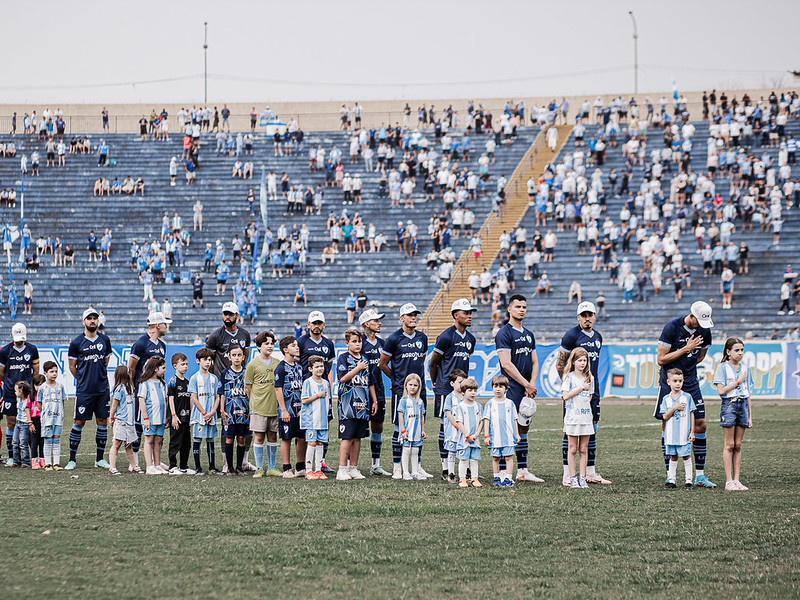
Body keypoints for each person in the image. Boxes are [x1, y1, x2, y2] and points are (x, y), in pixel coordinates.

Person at [655, 301, 715, 487]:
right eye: (699, 322)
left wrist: (688, 364)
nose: (702, 327)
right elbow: (661, 359)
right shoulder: (671, 328)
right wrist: (685, 350)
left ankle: (700, 476)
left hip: (690, 382)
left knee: (700, 424)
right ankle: (670, 475)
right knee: (668, 423)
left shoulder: (704, 330)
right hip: (670, 383)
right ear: (691, 316)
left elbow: (701, 355)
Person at [556, 302, 611, 485]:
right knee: (570, 430)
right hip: (574, 392)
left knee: (591, 428)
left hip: (591, 389)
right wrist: (569, 384)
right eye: (584, 315)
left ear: (595, 316)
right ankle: (567, 473)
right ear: (578, 316)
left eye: (590, 315)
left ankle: (590, 472)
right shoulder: (571, 335)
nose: (587, 318)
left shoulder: (598, 337)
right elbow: (560, 363)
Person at [379, 303, 431, 479]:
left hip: (420, 389)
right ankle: (397, 467)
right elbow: (382, 364)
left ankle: (417, 466)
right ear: (402, 318)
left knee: (417, 427)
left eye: (415, 314)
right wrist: (396, 380)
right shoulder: (394, 339)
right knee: (398, 427)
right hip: (401, 391)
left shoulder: (422, 338)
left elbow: (422, 357)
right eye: (409, 315)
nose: (413, 317)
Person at [494, 294, 543, 482]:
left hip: (526, 388)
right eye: (518, 307)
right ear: (509, 309)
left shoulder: (529, 335)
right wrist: (526, 384)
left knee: (523, 428)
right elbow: (506, 364)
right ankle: (504, 472)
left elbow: (535, 362)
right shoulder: (504, 333)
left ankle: (522, 470)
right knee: (508, 429)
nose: (522, 310)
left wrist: (532, 384)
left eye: (524, 307)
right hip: (511, 388)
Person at [428, 298, 476, 479]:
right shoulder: (446, 336)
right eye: (466, 313)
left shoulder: (471, 339)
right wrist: (436, 383)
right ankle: (445, 467)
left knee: (464, 424)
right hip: (445, 388)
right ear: (456, 315)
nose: (469, 316)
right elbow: (433, 363)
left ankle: (463, 464)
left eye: (471, 313)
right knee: (445, 427)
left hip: (463, 390)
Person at [206, 302, 253, 470]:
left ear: (237, 316)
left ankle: (244, 461)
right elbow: (209, 359)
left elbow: (246, 356)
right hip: (225, 387)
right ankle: (227, 462)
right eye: (225, 313)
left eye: (230, 314)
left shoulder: (245, 334)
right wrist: (220, 377)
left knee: (247, 424)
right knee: (226, 424)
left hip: (242, 387)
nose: (227, 317)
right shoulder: (215, 336)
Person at [66, 308, 112, 470]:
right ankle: (72, 459)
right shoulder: (77, 342)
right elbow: (72, 366)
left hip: (102, 390)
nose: (92, 321)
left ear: (98, 321)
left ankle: (99, 459)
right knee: (79, 421)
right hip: (84, 390)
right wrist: (84, 380)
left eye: (95, 318)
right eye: (89, 318)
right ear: (83, 321)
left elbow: (105, 361)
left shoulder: (105, 340)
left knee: (102, 421)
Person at [127, 311, 171, 469]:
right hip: (143, 391)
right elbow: (131, 368)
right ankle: (136, 461)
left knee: (158, 424)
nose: (167, 327)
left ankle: (154, 460)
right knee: (141, 424)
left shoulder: (162, 345)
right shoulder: (140, 343)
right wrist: (133, 387)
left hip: (157, 391)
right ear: (158, 326)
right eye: (165, 324)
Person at [335, 329, 376, 480]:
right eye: (354, 341)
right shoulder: (343, 358)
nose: (357, 344)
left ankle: (353, 468)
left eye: (359, 341)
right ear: (347, 343)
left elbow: (370, 383)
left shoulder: (365, 359)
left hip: (362, 404)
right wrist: (357, 368)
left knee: (358, 437)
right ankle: (342, 469)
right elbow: (342, 378)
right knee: (347, 436)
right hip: (348, 406)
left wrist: (374, 401)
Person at [297, 310, 335, 473]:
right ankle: (302, 465)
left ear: (324, 325)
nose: (317, 326)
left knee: (324, 425)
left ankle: (321, 463)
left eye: (319, 323)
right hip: (308, 391)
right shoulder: (301, 342)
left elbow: (329, 367)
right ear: (308, 325)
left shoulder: (328, 344)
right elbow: (298, 366)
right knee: (305, 431)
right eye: (314, 323)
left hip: (323, 392)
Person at [713, 338, 753, 491]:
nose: (740, 353)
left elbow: (748, 393)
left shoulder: (745, 368)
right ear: (728, 352)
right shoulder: (722, 368)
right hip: (729, 405)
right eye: (737, 350)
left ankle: (737, 480)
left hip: (742, 405)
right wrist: (738, 381)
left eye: (742, 350)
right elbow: (721, 391)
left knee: (738, 445)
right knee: (729, 444)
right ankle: (728, 481)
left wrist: (750, 416)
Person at [0, 323, 39, 465]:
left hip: (27, 394)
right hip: (11, 393)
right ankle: (12, 456)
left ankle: (28, 456)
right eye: (16, 338)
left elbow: (35, 371)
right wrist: (11, 385)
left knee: (28, 423)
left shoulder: (32, 350)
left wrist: (29, 388)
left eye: (21, 338)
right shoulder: (5, 351)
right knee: (11, 424)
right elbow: (1, 373)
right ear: (12, 336)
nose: (19, 341)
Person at [244, 330, 280, 477]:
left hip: (274, 408)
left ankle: (271, 467)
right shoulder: (252, 365)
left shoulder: (278, 363)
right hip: (258, 408)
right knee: (259, 437)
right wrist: (254, 402)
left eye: (272, 343)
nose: (270, 346)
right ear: (258, 346)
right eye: (266, 344)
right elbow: (248, 387)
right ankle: (259, 468)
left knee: (272, 436)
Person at [359, 309, 390, 476]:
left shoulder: (383, 343)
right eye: (376, 320)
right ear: (366, 324)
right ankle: (350, 466)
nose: (379, 323)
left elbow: (386, 366)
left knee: (378, 426)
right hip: (360, 390)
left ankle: (375, 465)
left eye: (379, 320)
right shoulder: (358, 343)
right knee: (355, 428)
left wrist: (395, 380)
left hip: (378, 389)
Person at [561, 347, 594, 489]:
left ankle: (583, 477)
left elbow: (590, 397)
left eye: (584, 360)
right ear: (573, 361)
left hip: (585, 418)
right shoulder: (568, 377)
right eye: (579, 360)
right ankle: (572, 477)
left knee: (584, 449)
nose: (582, 363)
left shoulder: (589, 378)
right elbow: (566, 396)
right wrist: (581, 388)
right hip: (572, 418)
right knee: (572, 448)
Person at [274, 336, 306, 478]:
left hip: (300, 410)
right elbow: (278, 389)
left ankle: (300, 466)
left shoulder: (299, 367)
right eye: (293, 345)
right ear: (285, 350)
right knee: (286, 438)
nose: (297, 347)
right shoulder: (281, 368)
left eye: (297, 345)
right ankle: (286, 468)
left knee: (302, 437)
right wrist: (283, 410)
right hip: (287, 409)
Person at [659, 368, 696, 489]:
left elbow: (691, 413)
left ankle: (689, 480)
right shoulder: (666, 399)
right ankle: (671, 480)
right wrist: (674, 408)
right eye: (675, 381)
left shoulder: (687, 397)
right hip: (670, 435)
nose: (678, 383)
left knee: (686, 456)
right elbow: (664, 416)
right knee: (673, 456)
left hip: (683, 435)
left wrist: (692, 431)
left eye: (680, 381)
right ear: (668, 382)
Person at [189, 347, 221, 476]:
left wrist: (212, 412)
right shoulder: (194, 378)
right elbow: (194, 398)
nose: (208, 362)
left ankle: (212, 467)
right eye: (204, 360)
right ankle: (198, 468)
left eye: (209, 360)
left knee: (210, 441)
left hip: (211, 415)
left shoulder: (214, 378)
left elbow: (217, 397)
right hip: (199, 416)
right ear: (198, 361)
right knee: (197, 440)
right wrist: (204, 413)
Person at [218, 344, 249, 475]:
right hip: (229, 413)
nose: (237, 358)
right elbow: (222, 393)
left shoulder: (247, 372)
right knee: (229, 439)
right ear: (229, 357)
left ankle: (239, 467)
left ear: (243, 357)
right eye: (234, 355)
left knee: (241, 439)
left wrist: (250, 409)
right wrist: (222, 409)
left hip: (243, 412)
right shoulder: (225, 373)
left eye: (239, 355)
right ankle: (229, 467)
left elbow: (249, 392)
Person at [482, 374, 518, 487]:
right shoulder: (490, 404)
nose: (498, 389)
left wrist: (517, 434)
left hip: (508, 437)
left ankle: (508, 478)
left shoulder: (510, 403)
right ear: (492, 388)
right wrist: (486, 435)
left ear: (506, 389)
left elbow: (515, 419)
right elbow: (486, 420)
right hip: (494, 437)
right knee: (495, 458)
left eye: (501, 386)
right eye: (495, 386)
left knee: (508, 457)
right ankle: (496, 477)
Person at [300, 355, 331, 479]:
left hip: (322, 420)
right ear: (310, 369)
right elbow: (304, 400)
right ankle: (308, 470)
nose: (320, 369)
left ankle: (318, 470)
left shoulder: (326, 383)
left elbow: (328, 402)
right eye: (316, 366)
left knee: (320, 443)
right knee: (312, 443)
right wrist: (318, 395)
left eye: (321, 366)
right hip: (311, 420)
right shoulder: (308, 382)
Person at [137, 357, 167, 475]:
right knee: (149, 440)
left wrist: (167, 417)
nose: (164, 370)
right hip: (150, 417)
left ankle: (157, 464)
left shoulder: (162, 383)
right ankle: (149, 466)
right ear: (155, 369)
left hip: (161, 417)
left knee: (158, 440)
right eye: (163, 368)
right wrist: (145, 419)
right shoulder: (145, 383)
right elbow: (141, 401)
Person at [108, 365, 139, 475]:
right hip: (121, 421)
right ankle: (112, 467)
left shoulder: (129, 388)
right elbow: (114, 406)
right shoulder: (119, 389)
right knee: (116, 444)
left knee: (128, 445)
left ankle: (134, 466)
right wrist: (111, 418)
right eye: (129, 373)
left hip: (130, 422)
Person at [166, 352, 193, 474]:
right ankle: (172, 466)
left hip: (186, 418)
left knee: (186, 443)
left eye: (186, 364)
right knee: (175, 441)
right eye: (183, 364)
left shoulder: (188, 382)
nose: (185, 366)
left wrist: (191, 415)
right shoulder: (173, 381)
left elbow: (190, 400)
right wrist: (173, 415)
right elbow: (170, 399)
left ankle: (184, 466)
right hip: (176, 418)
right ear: (175, 366)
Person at [453, 377, 483, 488]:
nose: (473, 393)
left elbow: (481, 422)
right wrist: (467, 435)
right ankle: (462, 479)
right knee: (464, 459)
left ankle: (474, 479)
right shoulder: (460, 407)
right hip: (464, 439)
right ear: (463, 392)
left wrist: (475, 435)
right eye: (470, 390)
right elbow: (459, 423)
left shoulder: (478, 406)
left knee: (474, 459)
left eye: (474, 390)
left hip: (475, 439)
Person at [397, 373, 426, 480]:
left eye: (415, 385)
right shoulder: (404, 400)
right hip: (407, 431)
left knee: (415, 451)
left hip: (417, 432)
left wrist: (423, 430)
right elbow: (401, 416)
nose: (413, 387)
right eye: (410, 385)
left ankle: (415, 472)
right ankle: (405, 473)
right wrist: (403, 430)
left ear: (419, 387)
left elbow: (422, 417)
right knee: (406, 450)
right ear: (406, 386)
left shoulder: (420, 402)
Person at [38, 361, 66, 470]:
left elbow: (62, 402)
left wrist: (60, 413)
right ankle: (48, 463)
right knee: (48, 439)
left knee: (56, 439)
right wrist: (44, 414)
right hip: (47, 419)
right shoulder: (42, 387)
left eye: (56, 371)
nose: (54, 374)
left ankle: (56, 464)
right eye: (51, 372)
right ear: (45, 373)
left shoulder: (60, 387)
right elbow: (39, 402)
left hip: (58, 418)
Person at [441, 369, 467, 482]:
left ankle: (464, 474)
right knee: (452, 451)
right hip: (453, 431)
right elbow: (448, 414)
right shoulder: (449, 397)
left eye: (464, 381)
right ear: (452, 383)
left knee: (464, 450)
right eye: (460, 382)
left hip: (464, 430)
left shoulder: (466, 397)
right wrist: (456, 426)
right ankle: (451, 473)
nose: (462, 384)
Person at [11, 381, 33, 467]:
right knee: (15, 442)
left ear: (21, 391)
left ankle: (25, 461)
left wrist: (29, 422)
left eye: (16, 390)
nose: (15, 392)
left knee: (23, 443)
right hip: (18, 423)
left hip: (24, 424)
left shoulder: (27, 401)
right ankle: (16, 460)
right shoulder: (18, 400)